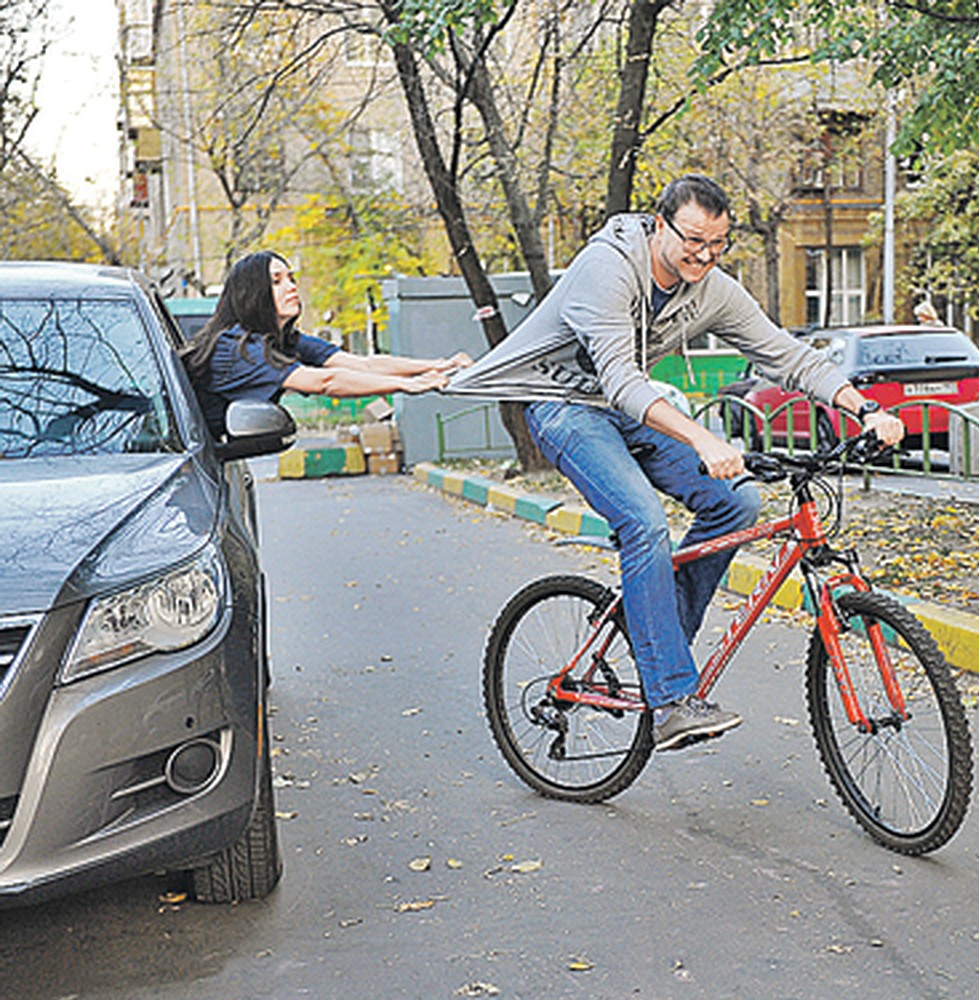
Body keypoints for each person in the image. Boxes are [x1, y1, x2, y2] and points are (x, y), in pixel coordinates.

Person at [448, 174, 904, 752]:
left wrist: (861, 406)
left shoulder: (710, 286)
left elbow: (787, 357)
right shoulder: (607, 269)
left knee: (737, 501)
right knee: (643, 522)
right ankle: (669, 700)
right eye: (693, 240)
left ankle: (658, 645)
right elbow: (618, 380)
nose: (705, 255)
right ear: (660, 225)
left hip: (630, 407)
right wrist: (703, 441)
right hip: (565, 407)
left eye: (717, 244)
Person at [183, 250, 471, 438]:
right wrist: (404, 385)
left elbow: (364, 363)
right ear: (252, 293)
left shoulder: (284, 341)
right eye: (277, 281)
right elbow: (325, 382)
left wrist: (437, 365)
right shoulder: (236, 349)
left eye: (291, 278)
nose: (292, 286)